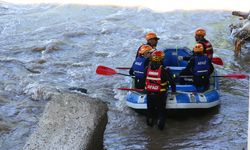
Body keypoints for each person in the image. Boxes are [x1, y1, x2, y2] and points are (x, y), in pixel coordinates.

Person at [144, 50, 176, 130]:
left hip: (149, 93)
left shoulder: (147, 68)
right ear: (161, 59)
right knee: (161, 111)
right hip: (160, 94)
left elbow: (143, 80)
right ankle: (160, 128)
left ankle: (149, 127)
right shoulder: (163, 70)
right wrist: (173, 91)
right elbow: (171, 81)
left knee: (150, 110)